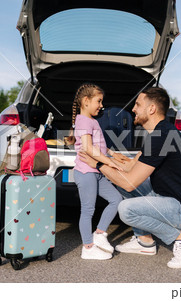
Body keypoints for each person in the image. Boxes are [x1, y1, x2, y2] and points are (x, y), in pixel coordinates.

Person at [79, 87, 181, 268]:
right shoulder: (160, 132)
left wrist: (98, 165)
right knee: (120, 184)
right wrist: (109, 158)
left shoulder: (161, 136)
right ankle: (144, 242)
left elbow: (130, 183)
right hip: (170, 199)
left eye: (138, 104)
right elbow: (130, 166)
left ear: (151, 109)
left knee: (126, 209)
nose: (133, 109)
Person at [67, 83, 129, 260]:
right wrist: (110, 163)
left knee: (116, 199)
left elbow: (98, 144)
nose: (101, 105)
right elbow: (87, 148)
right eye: (98, 101)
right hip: (86, 172)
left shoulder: (92, 121)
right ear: (86, 101)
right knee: (88, 209)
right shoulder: (84, 120)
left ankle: (100, 234)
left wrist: (112, 154)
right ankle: (88, 247)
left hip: (96, 172)